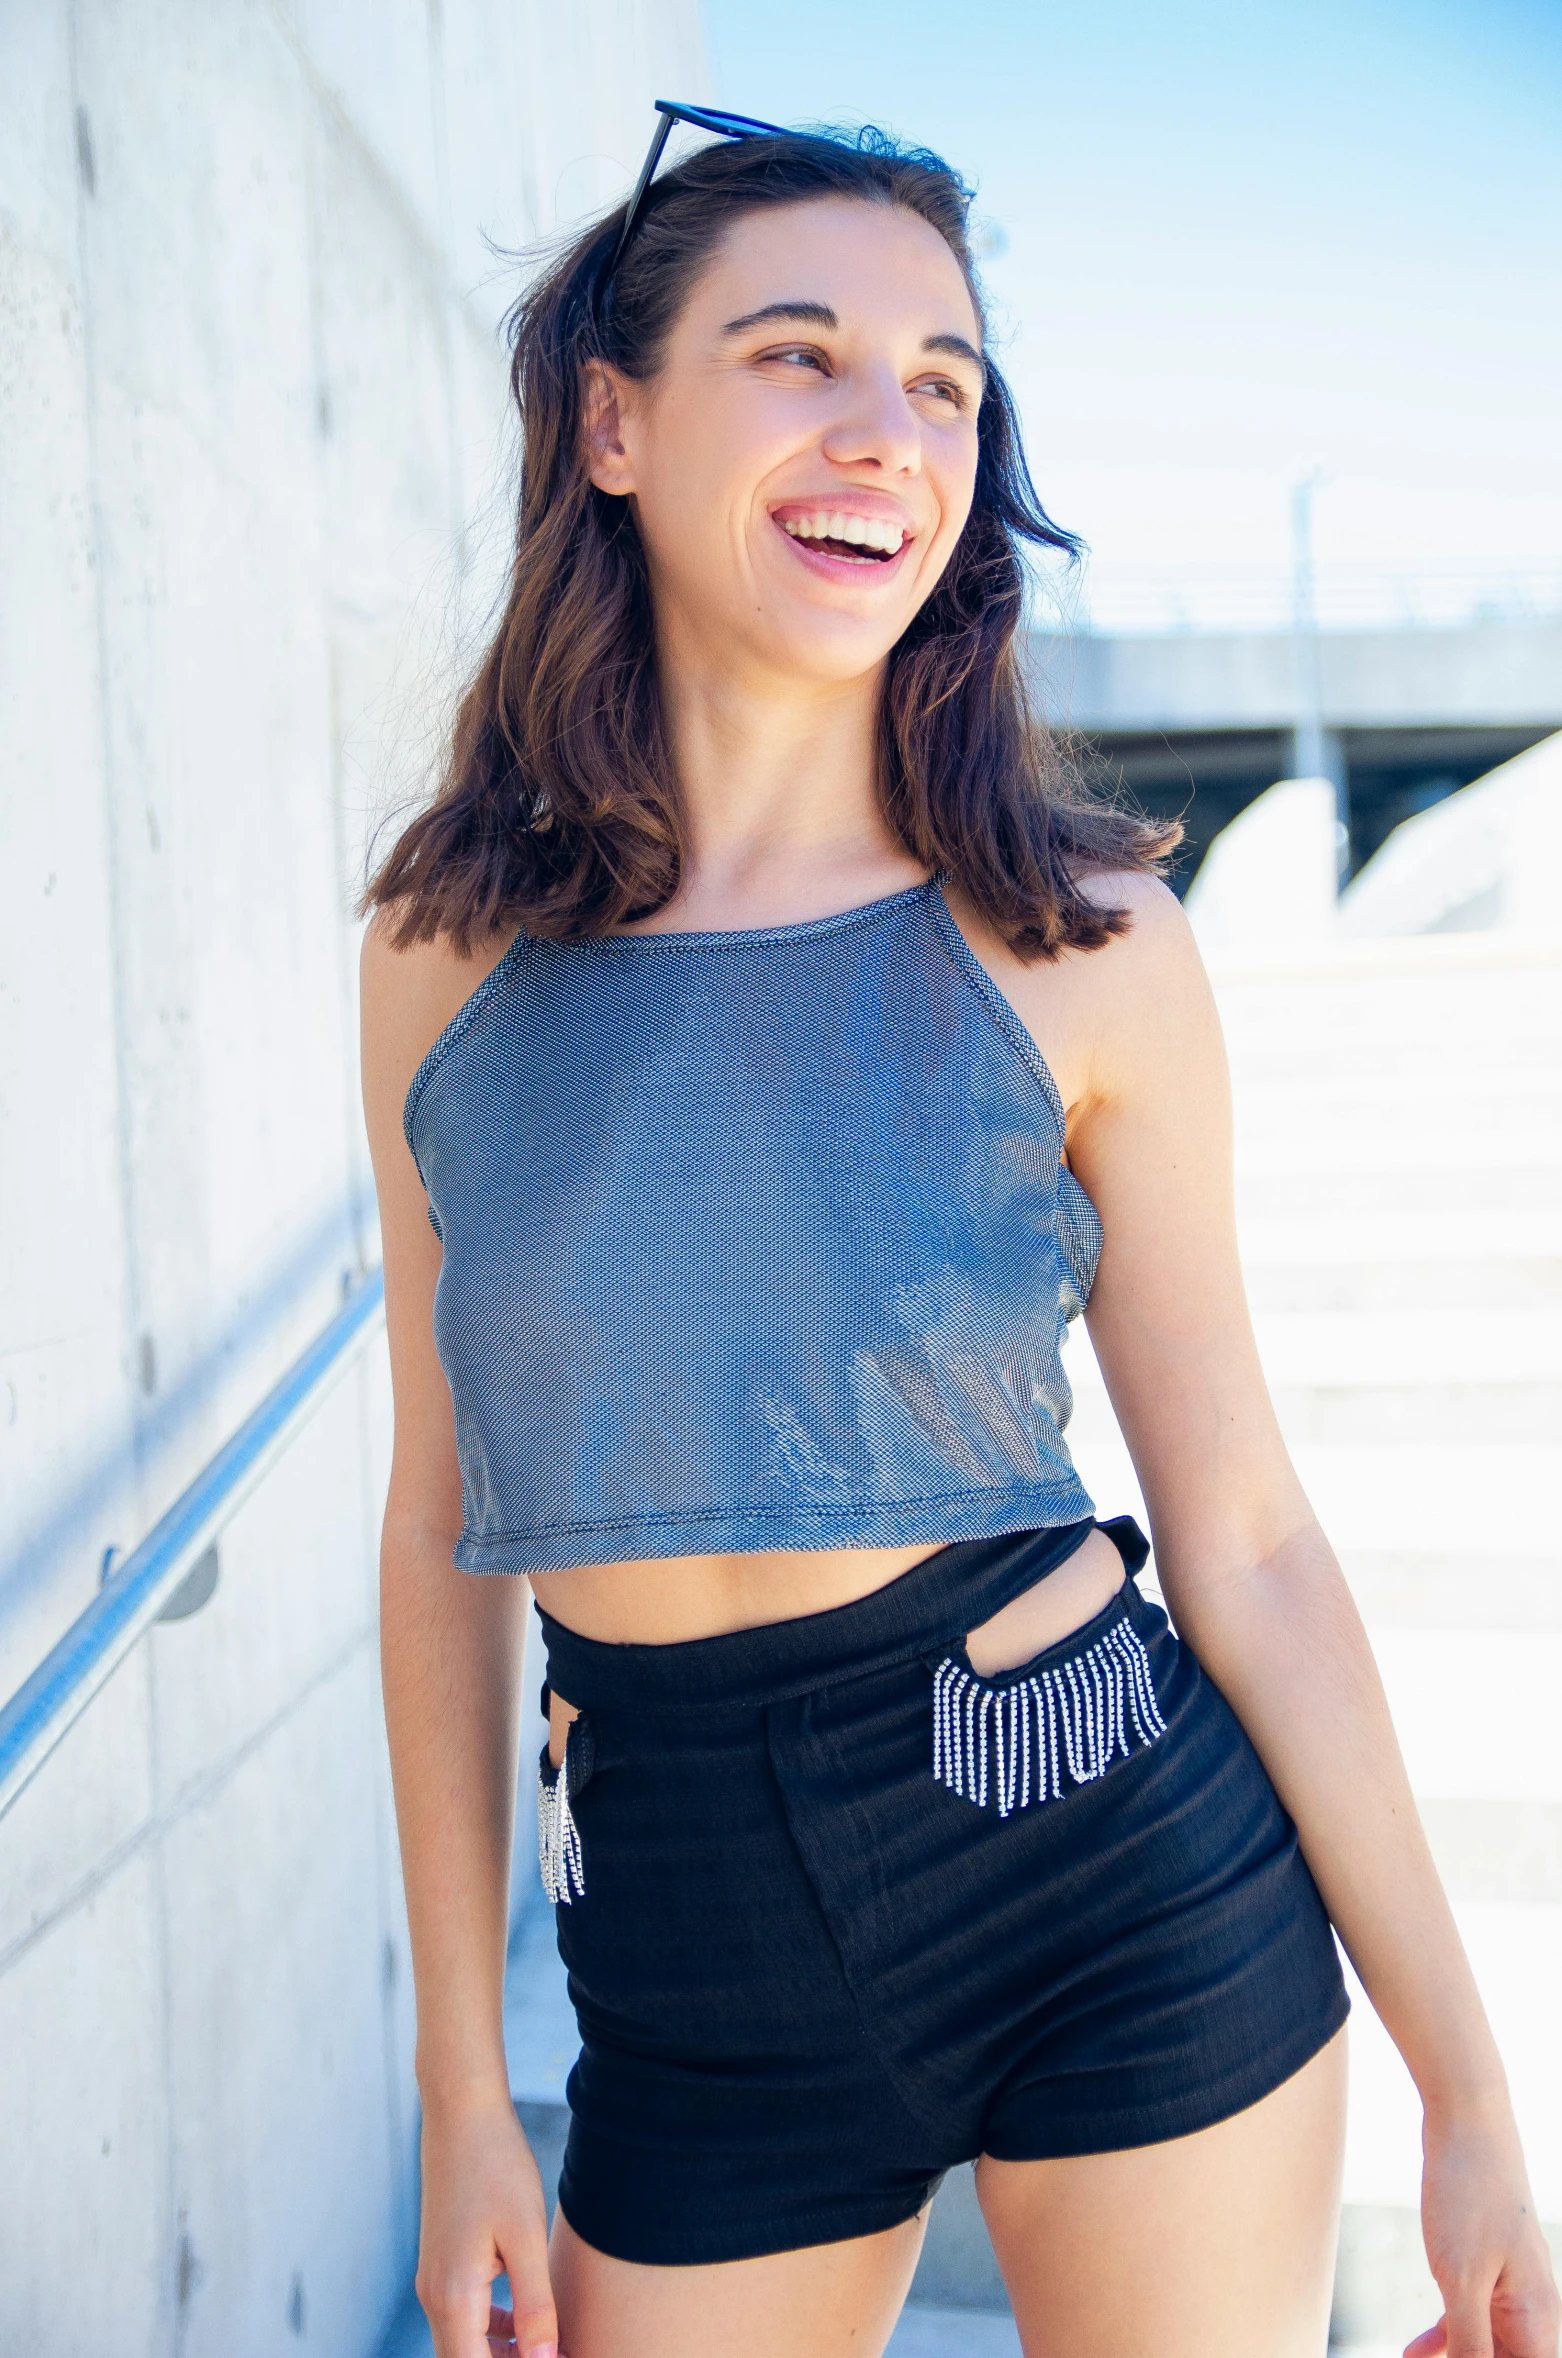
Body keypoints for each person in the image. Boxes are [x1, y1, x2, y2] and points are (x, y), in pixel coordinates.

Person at [359, 113, 1558, 2358]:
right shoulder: (447, 948)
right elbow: (442, 1515)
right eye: (797, 354)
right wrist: (459, 2082)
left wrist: (1471, 2086)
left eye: (941, 382)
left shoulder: (1077, 935)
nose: (882, 433)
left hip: (1100, 1859)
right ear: (611, 422)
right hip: (678, 1937)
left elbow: (1256, 1538)